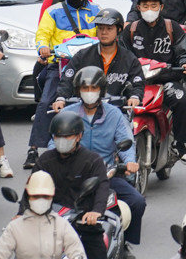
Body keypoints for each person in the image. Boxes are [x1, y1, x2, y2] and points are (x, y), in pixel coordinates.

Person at [52, 67, 145, 251]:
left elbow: (126, 141)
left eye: (93, 88)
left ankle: (123, 243)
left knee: (137, 202)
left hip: (108, 173)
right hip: (73, 174)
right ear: (78, 90)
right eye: (84, 88)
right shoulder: (67, 114)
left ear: (101, 90)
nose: (89, 92)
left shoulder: (114, 114)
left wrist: (128, 163)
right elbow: (53, 143)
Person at [25, 0, 101, 169]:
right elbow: (42, 35)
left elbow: (103, 32)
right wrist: (42, 47)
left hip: (91, 65)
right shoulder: (53, 12)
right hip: (61, 65)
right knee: (46, 103)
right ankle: (34, 148)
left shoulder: (96, 10)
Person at [123, 0, 186, 160]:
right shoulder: (130, 30)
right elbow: (122, 55)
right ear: (138, 8)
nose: (149, 9)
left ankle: (180, 143)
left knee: (182, 100)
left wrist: (185, 63)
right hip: (137, 83)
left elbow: (183, 52)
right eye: (145, 5)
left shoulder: (173, 27)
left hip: (166, 81)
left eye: (153, 5)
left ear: (161, 7)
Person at [36, 110, 111, 259]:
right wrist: (22, 212)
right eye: (58, 136)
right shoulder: (44, 161)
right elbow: (31, 189)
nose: (61, 140)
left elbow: (102, 186)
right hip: (50, 223)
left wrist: (96, 211)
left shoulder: (92, 161)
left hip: (83, 222)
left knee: (96, 252)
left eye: (67, 136)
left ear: (79, 136)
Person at [0, 170, 88, 259]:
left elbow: (77, 252)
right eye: (36, 196)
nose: (41, 200)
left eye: (45, 196)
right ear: (28, 195)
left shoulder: (62, 225)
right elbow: (0, 254)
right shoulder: (14, 227)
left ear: (52, 195)